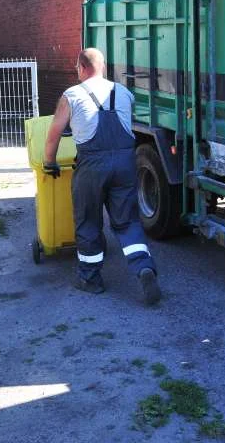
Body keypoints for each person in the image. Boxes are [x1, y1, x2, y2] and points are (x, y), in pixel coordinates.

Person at [43, 48, 161, 305]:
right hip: (124, 163)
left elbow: (53, 134)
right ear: (104, 67)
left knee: (88, 221)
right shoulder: (124, 93)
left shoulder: (72, 95)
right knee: (127, 221)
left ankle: (90, 278)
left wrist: (49, 162)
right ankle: (144, 268)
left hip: (92, 165)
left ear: (80, 68)